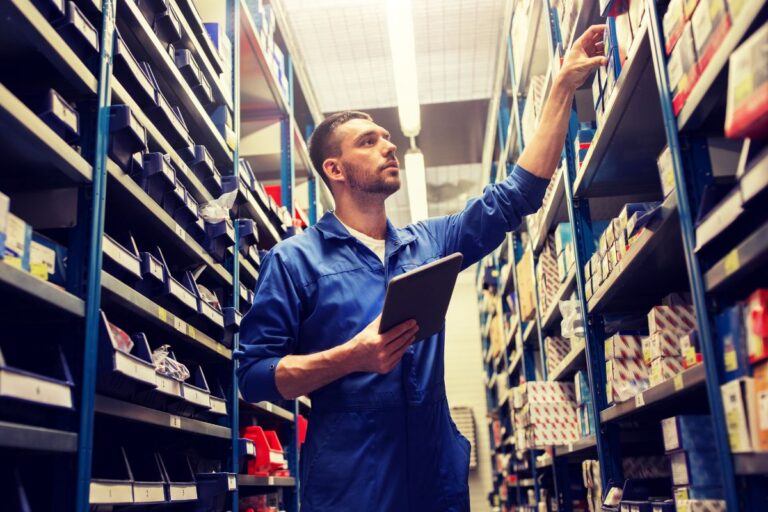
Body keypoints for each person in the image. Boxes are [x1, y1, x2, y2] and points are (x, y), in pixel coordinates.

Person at [236, 25, 607, 512]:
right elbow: (254, 374)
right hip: (352, 491)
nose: (388, 146)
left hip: (435, 483)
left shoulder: (428, 243)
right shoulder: (293, 261)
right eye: (368, 142)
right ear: (335, 170)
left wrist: (561, 87)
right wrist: (350, 356)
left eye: (387, 138)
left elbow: (517, 196)